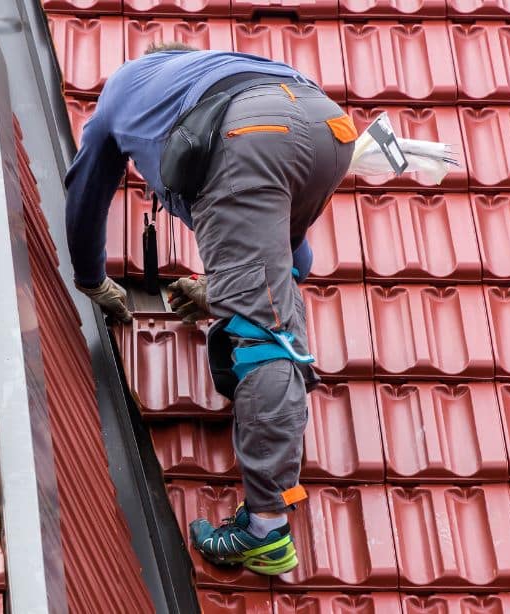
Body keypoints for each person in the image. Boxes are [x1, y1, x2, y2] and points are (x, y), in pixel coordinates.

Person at [65, 42, 356, 576]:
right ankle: (272, 410)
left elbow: (85, 191)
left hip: (252, 136)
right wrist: (224, 288)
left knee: (262, 333)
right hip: (329, 127)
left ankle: (265, 529)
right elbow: (293, 258)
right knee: (269, 307)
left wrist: (90, 277)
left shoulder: (125, 85)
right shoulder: (222, 71)